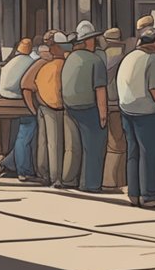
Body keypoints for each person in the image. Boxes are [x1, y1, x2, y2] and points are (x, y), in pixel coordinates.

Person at [117, 27, 155, 209]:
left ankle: (134, 192)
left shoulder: (129, 57)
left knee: (133, 152)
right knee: (151, 154)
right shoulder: (154, 59)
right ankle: (150, 195)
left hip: (126, 110)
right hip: (147, 112)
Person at [62, 21, 108, 193]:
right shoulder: (96, 60)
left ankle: (69, 179)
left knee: (73, 147)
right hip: (89, 108)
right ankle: (90, 183)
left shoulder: (70, 59)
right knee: (94, 147)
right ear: (88, 41)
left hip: (70, 107)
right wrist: (103, 114)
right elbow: (100, 89)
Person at [21, 35, 67, 186]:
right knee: (54, 144)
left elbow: (26, 83)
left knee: (44, 142)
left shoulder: (44, 64)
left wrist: (33, 107)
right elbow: (27, 83)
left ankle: (44, 174)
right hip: (54, 106)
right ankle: (55, 178)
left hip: (43, 105)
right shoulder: (61, 64)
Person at [0, 39, 38, 181]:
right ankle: (23, 170)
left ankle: (9, 163)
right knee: (26, 133)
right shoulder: (31, 63)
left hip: (5, 98)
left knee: (24, 134)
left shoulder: (10, 63)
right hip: (21, 101)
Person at [101, 27, 128, 190]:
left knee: (113, 144)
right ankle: (112, 181)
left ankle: (113, 180)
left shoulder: (103, 57)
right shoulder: (120, 58)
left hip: (107, 104)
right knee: (117, 144)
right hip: (116, 104)